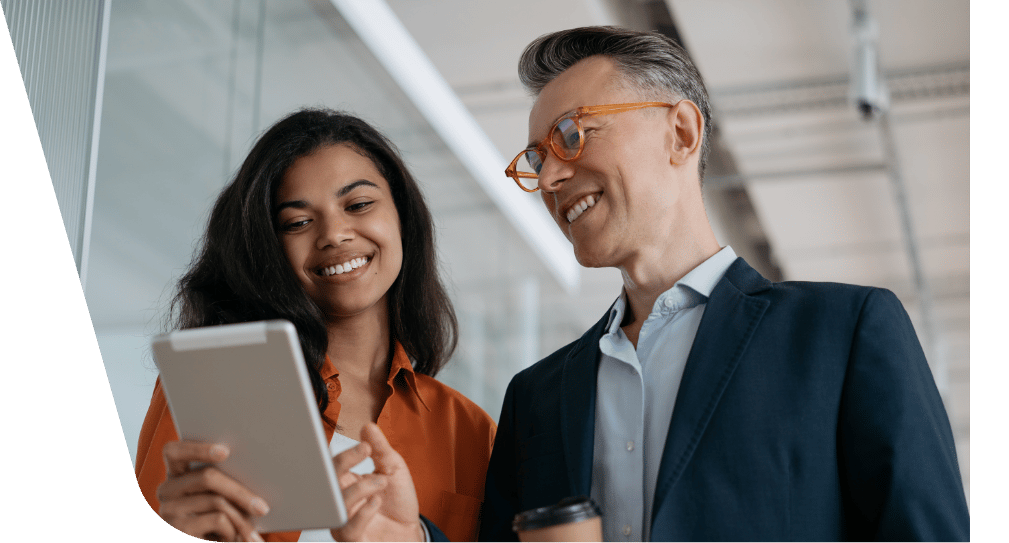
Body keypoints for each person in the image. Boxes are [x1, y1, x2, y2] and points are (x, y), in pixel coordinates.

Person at [477, 26, 970, 541]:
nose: (551, 177)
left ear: (682, 132)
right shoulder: (535, 398)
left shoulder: (842, 334)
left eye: (572, 136)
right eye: (538, 159)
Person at [134, 108, 495, 543]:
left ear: (402, 216)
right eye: (298, 222)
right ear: (268, 249)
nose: (334, 234)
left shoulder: (470, 431)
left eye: (358, 204)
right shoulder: (211, 391)